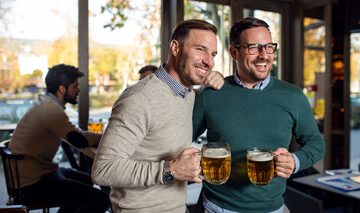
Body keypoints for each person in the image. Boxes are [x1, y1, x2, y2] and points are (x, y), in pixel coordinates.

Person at [193, 17, 326, 213]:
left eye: (269, 47)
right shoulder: (211, 93)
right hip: (216, 207)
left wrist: (295, 161)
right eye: (254, 47)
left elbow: (316, 143)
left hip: (272, 208)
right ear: (234, 52)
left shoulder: (293, 95)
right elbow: (180, 139)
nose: (264, 55)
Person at [91, 19, 223, 213]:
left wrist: (215, 78)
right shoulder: (139, 98)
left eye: (212, 54)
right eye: (200, 49)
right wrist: (172, 170)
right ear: (175, 47)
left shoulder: (187, 93)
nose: (209, 61)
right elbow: (103, 170)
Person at [9, 64, 111, 213]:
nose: (79, 90)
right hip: (32, 184)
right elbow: (78, 139)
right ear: (62, 89)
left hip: (33, 175)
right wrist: (108, 138)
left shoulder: (43, 102)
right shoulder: (50, 109)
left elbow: (73, 135)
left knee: (88, 182)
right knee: (101, 199)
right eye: (75, 86)